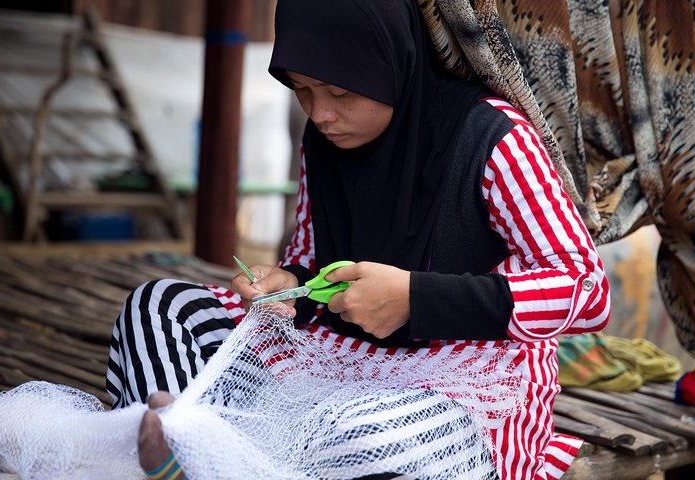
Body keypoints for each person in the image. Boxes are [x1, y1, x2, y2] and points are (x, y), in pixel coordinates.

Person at [108, 0, 611, 478]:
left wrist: (415, 299)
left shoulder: (494, 138)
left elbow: (587, 291)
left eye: (340, 93)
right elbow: (310, 266)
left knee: (361, 436)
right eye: (302, 91)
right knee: (159, 306)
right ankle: (198, 445)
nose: (321, 113)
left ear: (391, 62)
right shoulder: (324, 141)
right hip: (327, 359)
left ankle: (213, 454)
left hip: (460, 377)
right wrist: (289, 285)